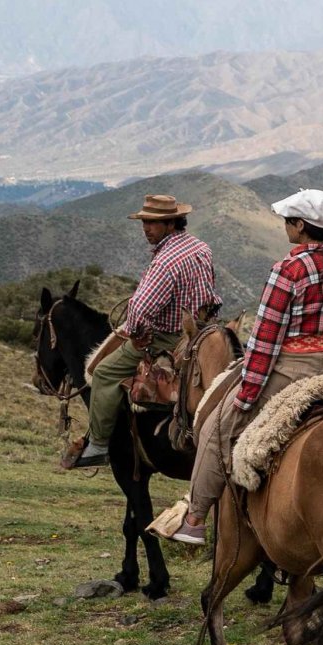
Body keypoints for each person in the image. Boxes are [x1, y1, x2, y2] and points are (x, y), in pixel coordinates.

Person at [168, 188, 323, 544]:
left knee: (216, 428)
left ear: (300, 226)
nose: (286, 228)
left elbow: (267, 338)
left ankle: (194, 518)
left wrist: (247, 393)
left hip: (293, 367)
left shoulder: (287, 269)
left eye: (288, 222)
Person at [67, 194, 220, 469]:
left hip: (167, 335)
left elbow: (140, 308)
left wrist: (136, 334)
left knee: (102, 373)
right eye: (145, 222)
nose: (146, 228)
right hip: (204, 330)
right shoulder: (201, 247)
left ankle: (99, 444)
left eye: (153, 222)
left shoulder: (165, 262)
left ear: (171, 223)